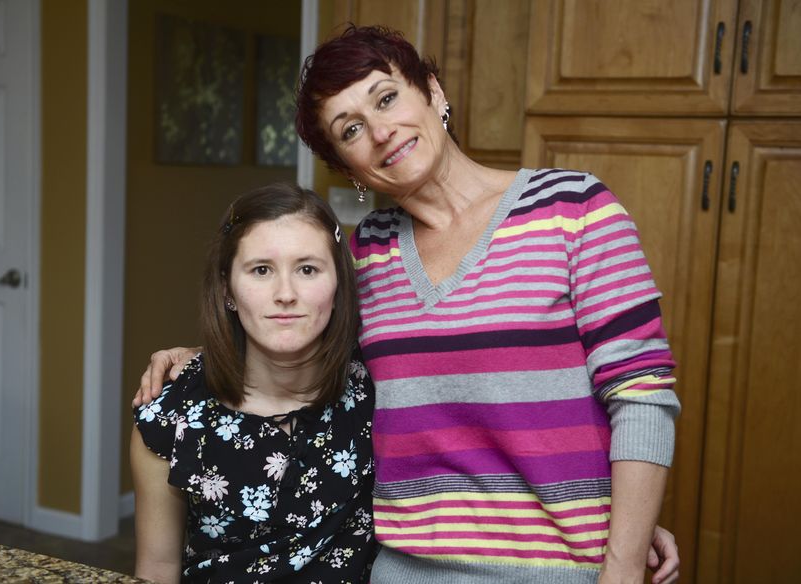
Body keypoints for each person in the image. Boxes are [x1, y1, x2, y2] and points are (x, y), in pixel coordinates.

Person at [135, 25, 681, 584]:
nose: (380, 131)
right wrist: (201, 354)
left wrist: (624, 550)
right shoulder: (367, 254)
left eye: (387, 97)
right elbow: (299, 331)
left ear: (434, 92)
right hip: (402, 571)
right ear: (348, 168)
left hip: (561, 572)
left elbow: (642, 396)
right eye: (350, 130)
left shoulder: (575, 209)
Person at [131, 183, 378, 583]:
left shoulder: (377, 385)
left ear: (337, 287)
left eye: (308, 269)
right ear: (228, 289)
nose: (285, 294)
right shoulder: (170, 417)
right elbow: (158, 569)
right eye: (261, 270)